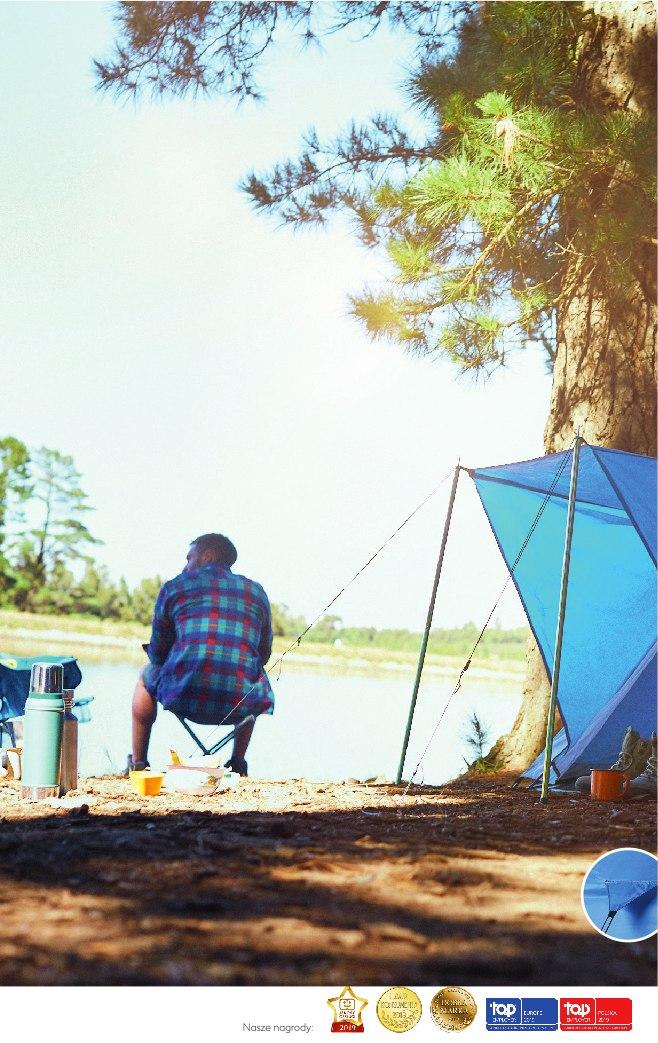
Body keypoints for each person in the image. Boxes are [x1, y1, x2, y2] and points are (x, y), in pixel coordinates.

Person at [129, 533, 274, 776]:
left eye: (189, 558)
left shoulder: (175, 586)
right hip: (240, 704)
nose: (185, 565)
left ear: (207, 556)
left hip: (184, 696)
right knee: (252, 677)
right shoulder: (256, 592)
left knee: (145, 676)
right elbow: (264, 652)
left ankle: (139, 764)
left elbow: (157, 652)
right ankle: (237, 763)